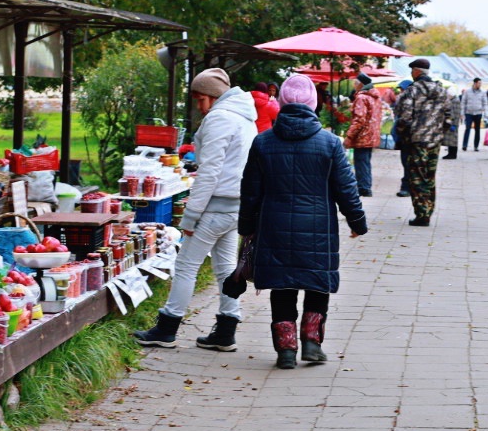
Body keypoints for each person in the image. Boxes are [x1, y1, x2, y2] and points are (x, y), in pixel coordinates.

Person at [240, 73, 367, 368]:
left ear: (282, 102)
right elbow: (346, 188)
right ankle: (312, 343)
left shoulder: (263, 142)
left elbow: (250, 191)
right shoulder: (330, 143)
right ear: (313, 104)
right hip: (318, 228)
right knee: (316, 283)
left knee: (283, 287)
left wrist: (246, 226)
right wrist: (357, 222)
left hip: (274, 228)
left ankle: (286, 350)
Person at [136, 68, 258, 352]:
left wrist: (191, 215)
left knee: (186, 266)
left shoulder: (220, 118)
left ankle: (167, 328)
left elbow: (209, 172)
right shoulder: (245, 118)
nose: (198, 107)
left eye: (200, 100)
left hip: (215, 207)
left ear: (212, 96)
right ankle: (226, 331)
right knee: (227, 269)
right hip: (236, 206)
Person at [392, 58, 454, 226]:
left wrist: (404, 136)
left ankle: (422, 214)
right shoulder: (442, 91)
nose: (411, 74)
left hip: (416, 141)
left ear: (417, 71)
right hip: (434, 142)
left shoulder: (412, 91)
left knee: (417, 177)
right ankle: (429, 209)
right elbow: (449, 118)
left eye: (412, 71)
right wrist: (437, 133)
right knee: (429, 176)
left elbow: (404, 118)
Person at [344, 74, 384, 197]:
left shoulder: (362, 98)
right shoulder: (375, 97)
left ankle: (364, 188)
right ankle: (365, 186)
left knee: (361, 162)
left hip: (363, 135)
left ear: (360, 84)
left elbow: (359, 119)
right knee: (365, 161)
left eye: (355, 83)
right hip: (372, 134)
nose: (354, 86)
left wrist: (349, 136)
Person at [393, 78, 413, 198]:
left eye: (401, 89)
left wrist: (399, 132)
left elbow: (401, 118)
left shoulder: (405, 98)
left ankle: (406, 187)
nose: (400, 91)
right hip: (414, 137)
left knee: (407, 163)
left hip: (407, 137)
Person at [457, 78, 486, 157]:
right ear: (475, 83)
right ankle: (464, 145)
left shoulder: (482, 92)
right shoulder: (467, 92)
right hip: (469, 113)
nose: (480, 85)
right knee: (467, 128)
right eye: (479, 83)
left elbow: (485, 103)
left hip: (478, 113)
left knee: (477, 130)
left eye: (480, 83)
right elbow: (463, 102)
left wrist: (485, 112)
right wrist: (462, 113)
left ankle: (476, 146)